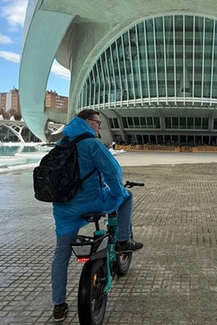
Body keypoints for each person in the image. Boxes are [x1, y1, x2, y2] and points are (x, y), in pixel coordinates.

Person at [50, 109, 142, 322]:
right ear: (86, 122)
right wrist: (118, 194)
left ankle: (58, 306)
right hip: (91, 201)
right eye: (97, 122)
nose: (99, 126)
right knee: (126, 196)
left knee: (61, 254)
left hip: (63, 209)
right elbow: (113, 173)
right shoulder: (92, 145)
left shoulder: (61, 144)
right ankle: (122, 241)